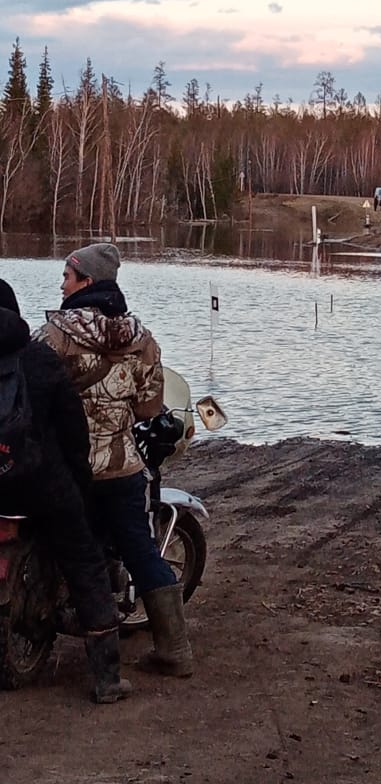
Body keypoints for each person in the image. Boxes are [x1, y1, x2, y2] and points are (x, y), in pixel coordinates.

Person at [34, 243, 193, 678]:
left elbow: (32, 393)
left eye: (67, 277)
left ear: (86, 282)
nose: (62, 285)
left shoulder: (54, 336)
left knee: (68, 547)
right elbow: (148, 408)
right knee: (140, 550)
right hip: (121, 467)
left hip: (69, 468)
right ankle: (175, 650)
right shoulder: (140, 339)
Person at [0, 280, 131, 703]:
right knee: (85, 562)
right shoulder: (40, 357)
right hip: (42, 483)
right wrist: (79, 478)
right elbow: (73, 428)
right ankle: (107, 680)